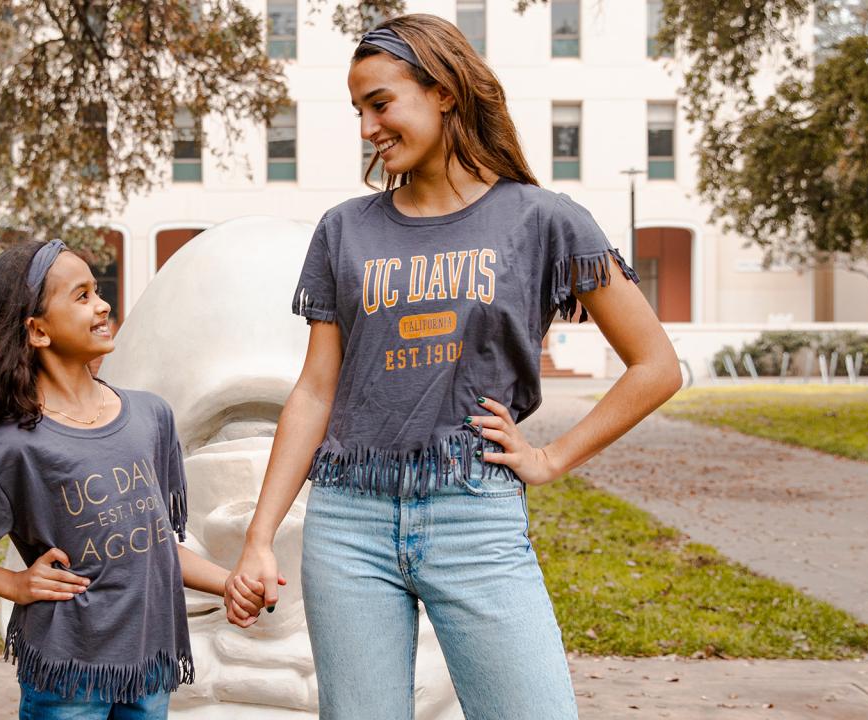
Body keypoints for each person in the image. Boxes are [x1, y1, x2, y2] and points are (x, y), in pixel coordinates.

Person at [223, 14, 683, 720]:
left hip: (474, 514)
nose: (368, 127)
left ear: (443, 91)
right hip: (349, 521)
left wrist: (552, 457)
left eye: (381, 103)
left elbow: (656, 365)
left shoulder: (543, 220)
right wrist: (259, 538)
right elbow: (316, 391)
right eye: (358, 111)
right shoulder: (345, 230)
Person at [0, 240, 265, 720]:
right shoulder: (15, 445)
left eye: (98, 291)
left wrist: (228, 583)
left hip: (151, 665)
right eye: (82, 296)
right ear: (38, 330)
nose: (103, 305)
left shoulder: (151, 416)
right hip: (69, 679)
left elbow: (153, 546)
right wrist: (13, 584)